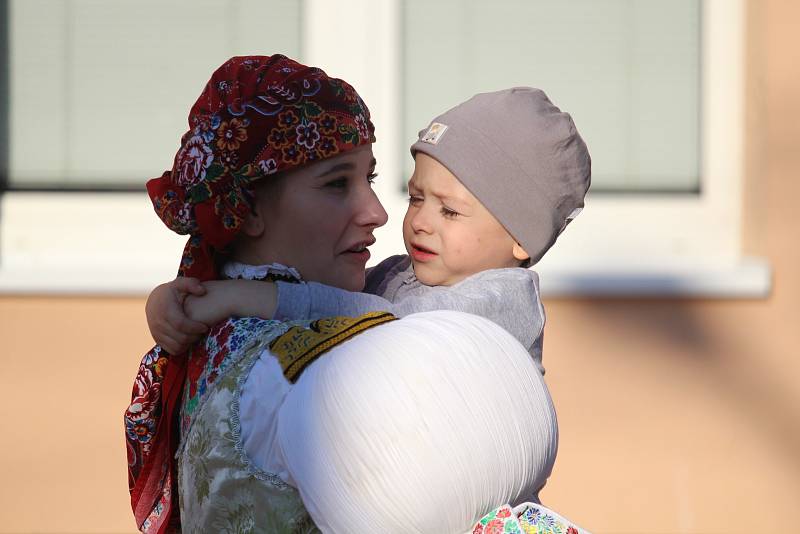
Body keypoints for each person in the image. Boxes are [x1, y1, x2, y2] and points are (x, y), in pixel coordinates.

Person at [125, 55, 568, 533]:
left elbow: (382, 321)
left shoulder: (485, 302)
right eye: (338, 184)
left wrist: (240, 295)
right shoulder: (301, 368)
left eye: (369, 179)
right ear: (248, 209)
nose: (382, 213)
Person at [146, 87, 592, 381]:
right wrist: (181, 298)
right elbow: (310, 287)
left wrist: (239, 298)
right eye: (416, 197)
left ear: (521, 239)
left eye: (450, 211)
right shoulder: (406, 273)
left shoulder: (501, 302)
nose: (420, 221)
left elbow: (367, 319)